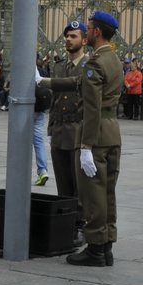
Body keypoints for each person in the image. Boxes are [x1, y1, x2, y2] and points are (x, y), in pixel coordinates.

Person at [45, 10, 122, 267]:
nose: (86, 33)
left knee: (93, 195)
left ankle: (96, 249)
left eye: (88, 29)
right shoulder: (114, 59)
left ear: (97, 32)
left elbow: (91, 107)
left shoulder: (95, 63)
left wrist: (86, 146)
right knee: (107, 192)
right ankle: (106, 245)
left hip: (95, 134)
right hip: (112, 131)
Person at [47, 21, 86, 230]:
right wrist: (51, 127)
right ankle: (65, 220)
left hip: (78, 127)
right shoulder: (60, 65)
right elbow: (55, 98)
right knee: (63, 180)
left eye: (74, 36)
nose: (69, 40)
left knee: (78, 181)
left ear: (84, 40)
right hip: (60, 128)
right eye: (67, 36)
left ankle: (79, 222)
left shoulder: (89, 66)